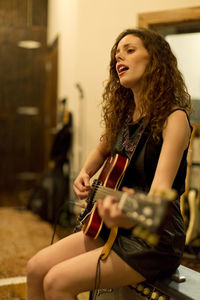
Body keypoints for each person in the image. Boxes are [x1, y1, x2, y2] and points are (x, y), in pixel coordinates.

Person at [26, 28, 192, 300]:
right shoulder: (125, 116)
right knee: (35, 269)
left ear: (156, 60)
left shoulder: (174, 118)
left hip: (151, 239)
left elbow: (159, 197)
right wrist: (85, 172)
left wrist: (129, 213)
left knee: (57, 281)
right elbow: (102, 149)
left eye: (130, 50)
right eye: (117, 54)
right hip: (112, 226)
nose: (119, 58)